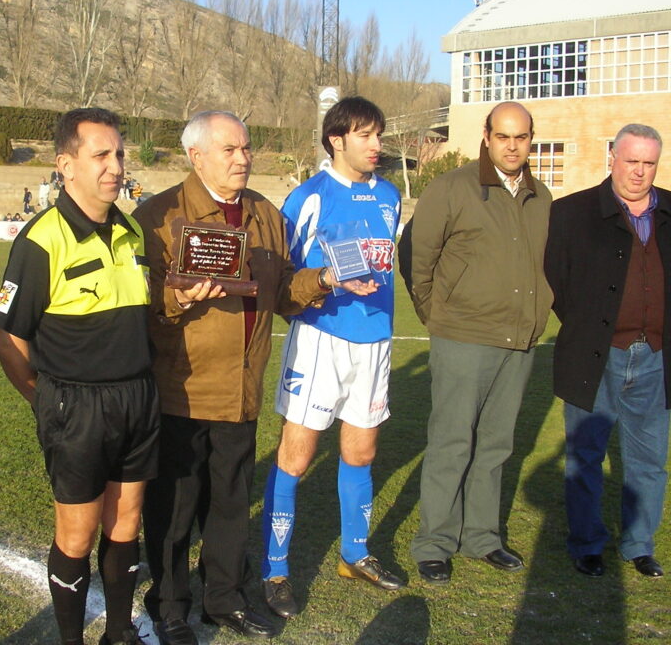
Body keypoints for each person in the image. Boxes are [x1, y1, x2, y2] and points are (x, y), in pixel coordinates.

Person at [135, 111, 355, 645]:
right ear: (197, 156)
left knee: (231, 504)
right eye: (230, 149)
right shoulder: (157, 215)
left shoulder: (264, 213)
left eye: (247, 148)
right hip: (181, 390)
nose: (243, 158)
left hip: (241, 390)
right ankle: (168, 605)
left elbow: (280, 293)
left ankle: (225, 598)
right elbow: (138, 303)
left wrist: (322, 279)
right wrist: (179, 296)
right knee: (175, 507)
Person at [0, 107, 158, 645]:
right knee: (78, 532)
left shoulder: (131, 230)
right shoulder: (41, 240)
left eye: (119, 154)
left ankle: (117, 632)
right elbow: (8, 337)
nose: (115, 166)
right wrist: (42, 400)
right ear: (66, 165)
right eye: (101, 155)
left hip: (137, 397)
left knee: (126, 523)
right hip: (76, 406)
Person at [260, 97, 402, 621]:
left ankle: (355, 554)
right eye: (366, 135)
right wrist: (323, 284)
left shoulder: (390, 196)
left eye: (379, 135)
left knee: (361, 453)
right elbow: (283, 280)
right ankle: (275, 569)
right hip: (320, 339)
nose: (376, 145)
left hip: (376, 339)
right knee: (295, 458)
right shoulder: (308, 198)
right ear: (336, 140)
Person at [400, 101, 552, 584]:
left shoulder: (539, 195)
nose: (512, 145)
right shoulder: (452, 188)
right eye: (503, 135)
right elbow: (415, 256)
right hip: (463, 335)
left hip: (517, 339)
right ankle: (435, 541)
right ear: (487, 136)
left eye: (521, 137)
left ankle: (482, 536)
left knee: (495, 445)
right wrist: (436, 313)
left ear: (531, 139)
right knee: (451, 441)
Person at [544, 124, 670, 579]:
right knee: (586, 456)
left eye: (648, 163)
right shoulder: (571, 213)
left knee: (649, 460)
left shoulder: (670, 211)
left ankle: (639, 544)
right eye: (631, 161)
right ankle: (587, 543)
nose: (639, 172)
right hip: (595, 356)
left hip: (655, 358)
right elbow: (555, 280)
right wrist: (588, 325)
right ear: (612, 158)